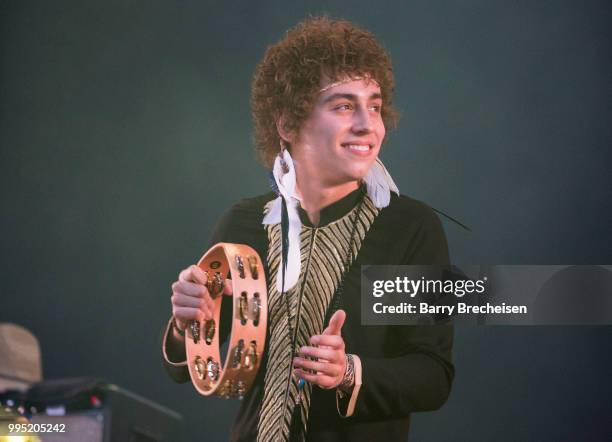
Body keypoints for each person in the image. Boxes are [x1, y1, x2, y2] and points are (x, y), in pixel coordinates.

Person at [161, 16, 454, 442]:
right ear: (287, 123)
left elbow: (433, 374)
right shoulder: (243, 223)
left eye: (373, 105)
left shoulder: (409, 228)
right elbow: (192, 364)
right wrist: (186, 320)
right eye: (343, 106)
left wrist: (349, 371)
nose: (367, 124)